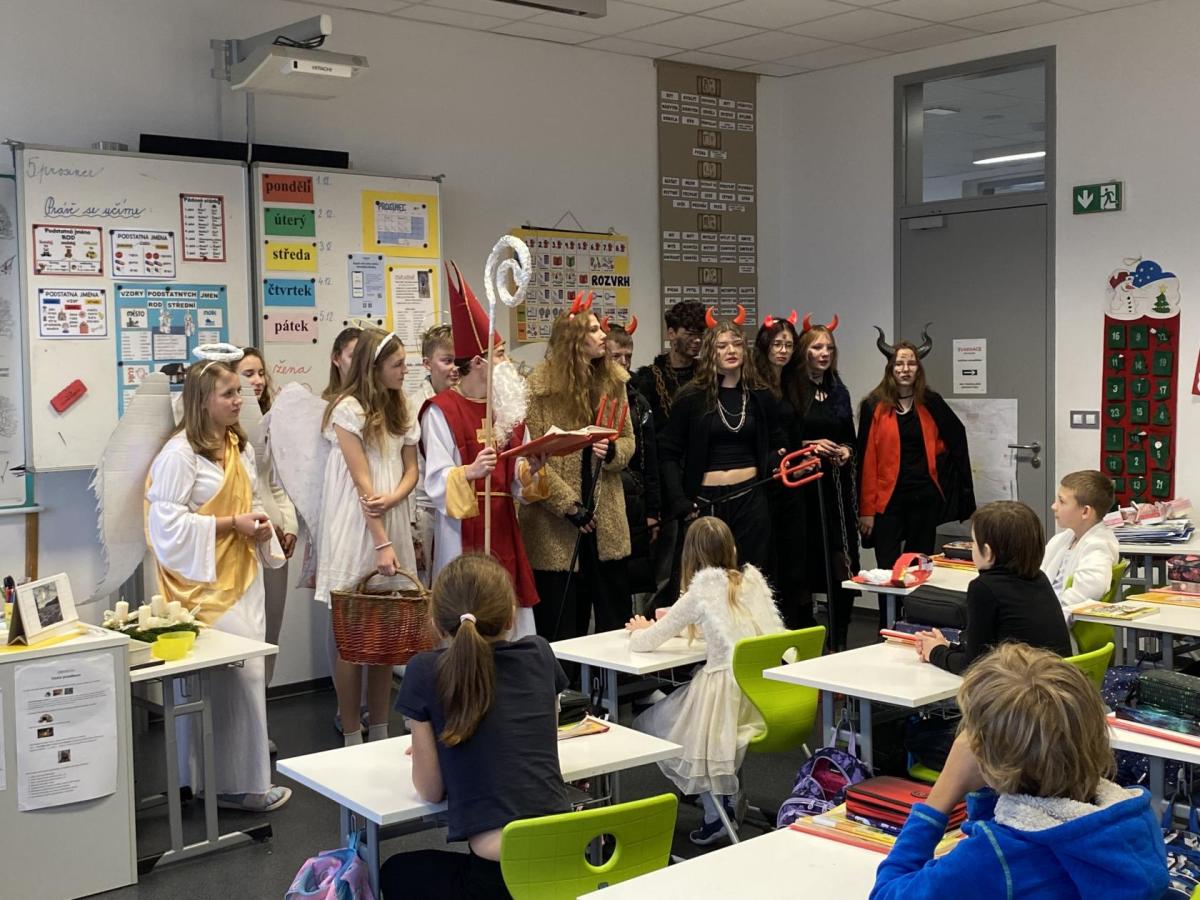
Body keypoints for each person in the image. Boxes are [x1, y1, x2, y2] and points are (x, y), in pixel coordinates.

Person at [872, 643, 1168, 900]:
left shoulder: (994, 858)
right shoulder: (1132, 816)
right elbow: (1007, 825)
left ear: (988, 758)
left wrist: (942, 795)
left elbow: (887, 893)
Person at [145, 352, 290, 812]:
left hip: (243, 576)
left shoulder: (236, 445)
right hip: (204, 588)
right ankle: (224, 783)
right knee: (233, 679)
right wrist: (231, 524)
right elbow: (164, 525)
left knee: (247, 677)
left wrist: (261, 527)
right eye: (229, 394)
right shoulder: (179, 454)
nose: (239, 400)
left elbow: (251, 500)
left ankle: (237, 782)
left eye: (238, 392)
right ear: (203, 400)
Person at [381, 554, 570, 900]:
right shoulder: (541, 654)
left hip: (496, 883)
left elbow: (430, 790)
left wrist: (435, 747)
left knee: (394, 871)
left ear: (437, 623)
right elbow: (541, 741)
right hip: (562, 864)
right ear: (511, 615)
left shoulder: (424, 670)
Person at [627, 517, 784, 846]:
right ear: (732, 548)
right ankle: (722, 795)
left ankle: (716, 808)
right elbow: (729, 626)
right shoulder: (751, 582)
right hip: (761, 696)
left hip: (721, 697)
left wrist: (640, 629)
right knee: (687, 723)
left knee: (655, 722)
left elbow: (645, 642)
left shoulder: (700, 591)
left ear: (690, 555)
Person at [421, 262, 547, 639]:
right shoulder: (441, 411)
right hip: (460, 531)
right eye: (501, 354)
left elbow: (520, 487)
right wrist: (471, 472)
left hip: (505, 526)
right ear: (478, 361)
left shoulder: (508, 410)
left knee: (511, 619)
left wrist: (531, 470)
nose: (508, 363)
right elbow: (436, 480)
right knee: (466, 610)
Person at [315, 328, 420, 746]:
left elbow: (411, 469)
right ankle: (351, 731)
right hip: (357, 527)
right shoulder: (347, 409)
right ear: (374, 369)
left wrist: (395, 497)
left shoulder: (402, 405)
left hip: (390, 516)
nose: (404, 371)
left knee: (386, 635)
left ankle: (380, 727)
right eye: (397, 365)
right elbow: (363, 485)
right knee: (352, 636)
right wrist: (381, 543)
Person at [522, 295, 635, 641]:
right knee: (562, 624)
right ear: (573, 339)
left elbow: (628, 440)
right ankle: (562, 678)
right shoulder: (539, 389)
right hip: (555, 525)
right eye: (594, 330)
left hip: (605, 519)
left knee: (614, 620)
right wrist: (568, 506)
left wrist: (613, 451)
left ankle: (614, 677)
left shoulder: (614, 382)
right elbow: (531, 457)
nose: (603, 335)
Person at [658, 308, 786, 603]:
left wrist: (777, 460)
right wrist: (679, 499)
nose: (731, 351)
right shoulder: (691, 397)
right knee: (705, 584)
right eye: (722, 345)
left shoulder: (760, 395)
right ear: (710, 352)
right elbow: (668, 452)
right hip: (706, 501)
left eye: (737, 344)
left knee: (752, 580)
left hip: (750, 497)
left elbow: (776, 443)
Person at [858, 330, 975, 592]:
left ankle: (914, 614)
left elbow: (955, 438)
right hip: (887, 501)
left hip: (924, 498)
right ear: (890, 368)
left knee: (919, 567)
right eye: (899, 363)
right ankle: (888, 616)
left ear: (918, 369)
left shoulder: (931, 402)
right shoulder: (873, 405)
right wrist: (866, 510)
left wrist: (938, 459)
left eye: (911, 363)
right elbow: (867, 459)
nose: (905, 368)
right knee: (887, 569)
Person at [916, 501, 1071, 675]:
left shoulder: (984, 588)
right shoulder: (1039, 578)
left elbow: (973, 666)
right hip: (1054, 681)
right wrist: (948, 647)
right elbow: (985, 650)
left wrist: (935, 652)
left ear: (988, 552)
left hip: (1023, 686)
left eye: (974, 542)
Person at [787, 316, 858, 650]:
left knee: (842, 564)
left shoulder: (838, 390)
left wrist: (845, 450)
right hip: (803, 489)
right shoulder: (791, 389)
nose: (824, 353)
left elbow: (850, 439)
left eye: (829, 347)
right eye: (817, 347)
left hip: (835, 491)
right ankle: (806, 637)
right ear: (805, 351)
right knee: (803, 565)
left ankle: (839, 639)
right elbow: (786, 438)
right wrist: (809, 446)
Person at [631, 300, 706, 597]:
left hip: (700, 480)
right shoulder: (647, 380)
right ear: (671, 333)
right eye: (690, 332)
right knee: (662, 569)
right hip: (662, 486)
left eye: (700, 333)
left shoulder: (709, 378)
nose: (696, 339)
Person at [237, 347, 299, 696]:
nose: (258, 380)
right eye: (248, 374)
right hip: (246, 538)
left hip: (276, 542)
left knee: (271, 629)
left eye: (261, 373)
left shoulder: (270, 419)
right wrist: (263, 524)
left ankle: (263, 707)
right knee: (247, 630)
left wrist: (290, 527)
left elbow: (277, 482)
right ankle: (246, 712)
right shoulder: (223, 428)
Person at [754, 312, 810, 628]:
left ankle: (791, 623)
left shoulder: (792, 382)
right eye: (777, 344)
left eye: (788, 345)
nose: (783, 350)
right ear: (765, 346)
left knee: (794, 559)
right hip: (766, 482)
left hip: (793, 481)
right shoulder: (754, 383)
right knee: (768, 558)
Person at [605, 319, 661, 606]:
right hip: (605, 497)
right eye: (616, 356)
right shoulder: (591, 396)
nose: (624, 363)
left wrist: (653, 511)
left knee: (632, 582)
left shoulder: (639, 402)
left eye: (628, 356)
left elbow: (650, 460)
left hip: (635, 499)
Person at [407, 325, 458, 586]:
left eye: (458, 360)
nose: (455, 368)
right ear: (427, 363)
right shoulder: (413, 407)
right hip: (424, 511)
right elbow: (405, 471)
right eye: (446, 361)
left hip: (456, 509)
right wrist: (412, 530)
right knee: (425, 586)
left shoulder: (466, 402)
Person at [1042, 469, 1120, 621]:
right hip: (1044, 612)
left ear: (1085, 511)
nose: (1054, 506)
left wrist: (1041, 613)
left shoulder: (1099, 546)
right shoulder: (1063, 539)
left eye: (1061, 501)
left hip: (1056, 621)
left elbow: (1085, 594)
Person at [322, 325, 361, 401]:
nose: (361, 362)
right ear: (336, 359)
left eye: (365, 355)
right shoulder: (324, 403)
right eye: (353, 356)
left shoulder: (376, 400)